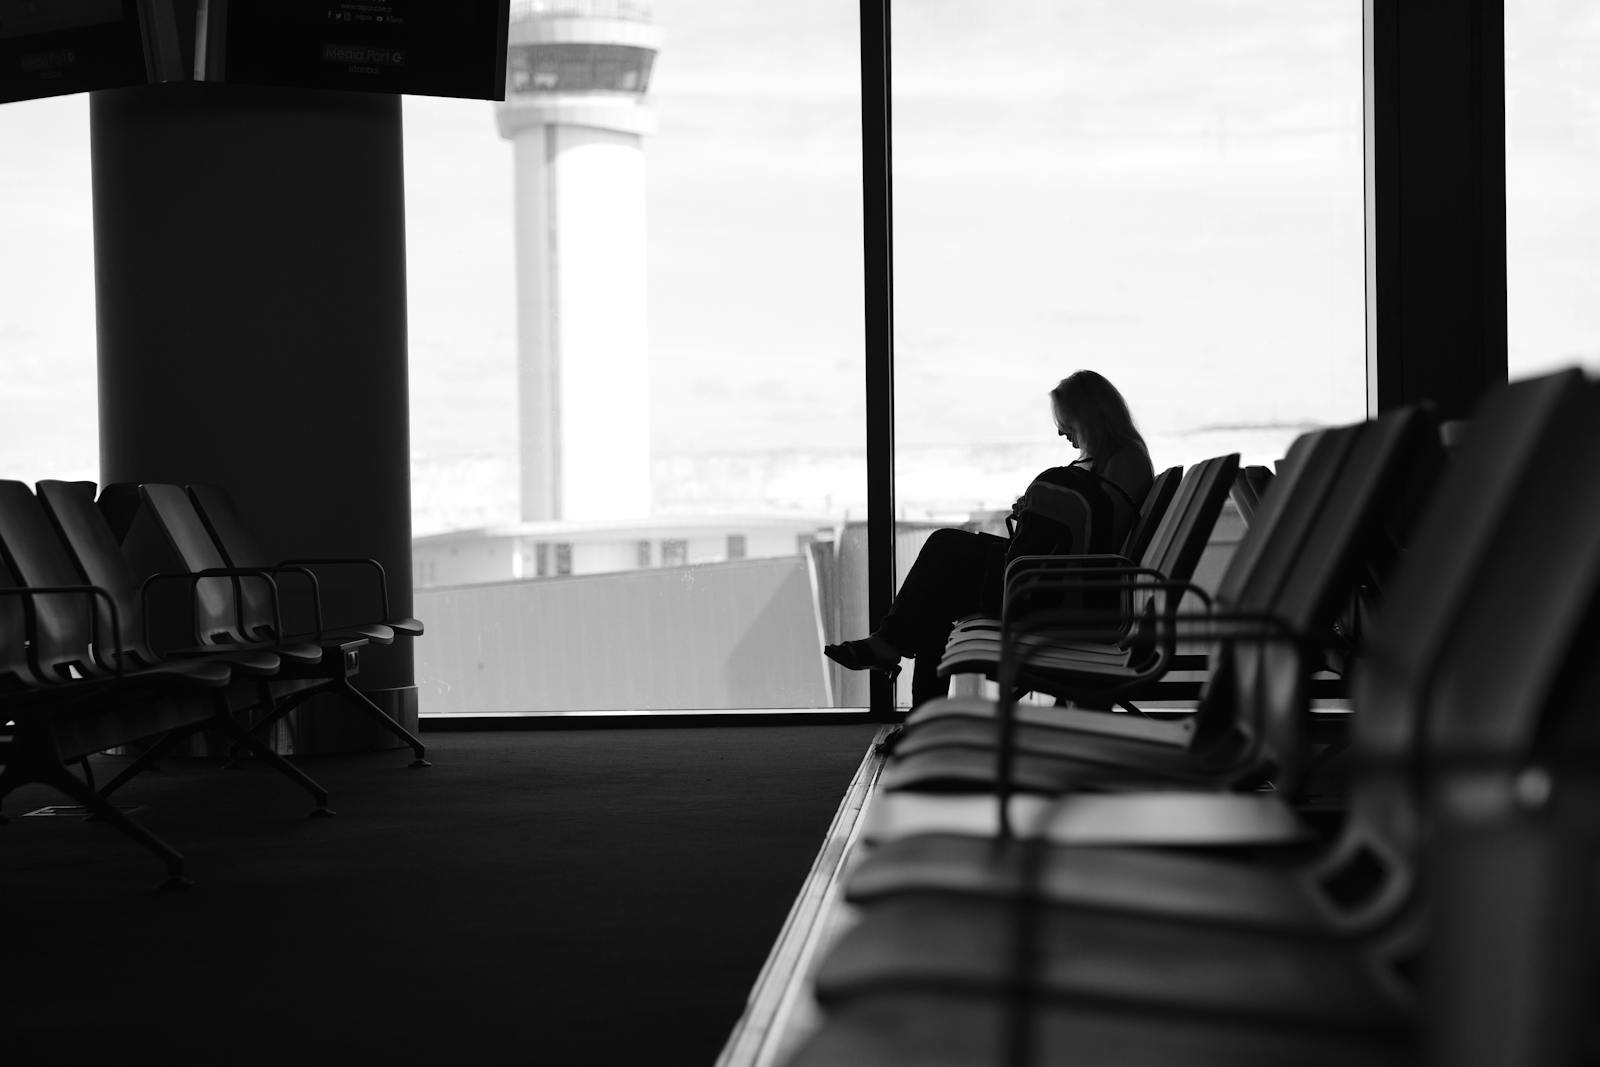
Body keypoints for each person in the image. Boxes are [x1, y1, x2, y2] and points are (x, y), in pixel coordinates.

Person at [824, 370, 1155, 706]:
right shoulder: (1113, 459)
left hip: (1060, 588)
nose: (1060, 431)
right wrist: (1036, 513)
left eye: (1065, 420)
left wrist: (1047, 511)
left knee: (944, 553)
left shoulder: (1125, 459)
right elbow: (1088, 522)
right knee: (939, 586)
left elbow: (1099, 535)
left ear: (1087, 414)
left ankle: (894, 657)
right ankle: (913, 696)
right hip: (1050, 579)